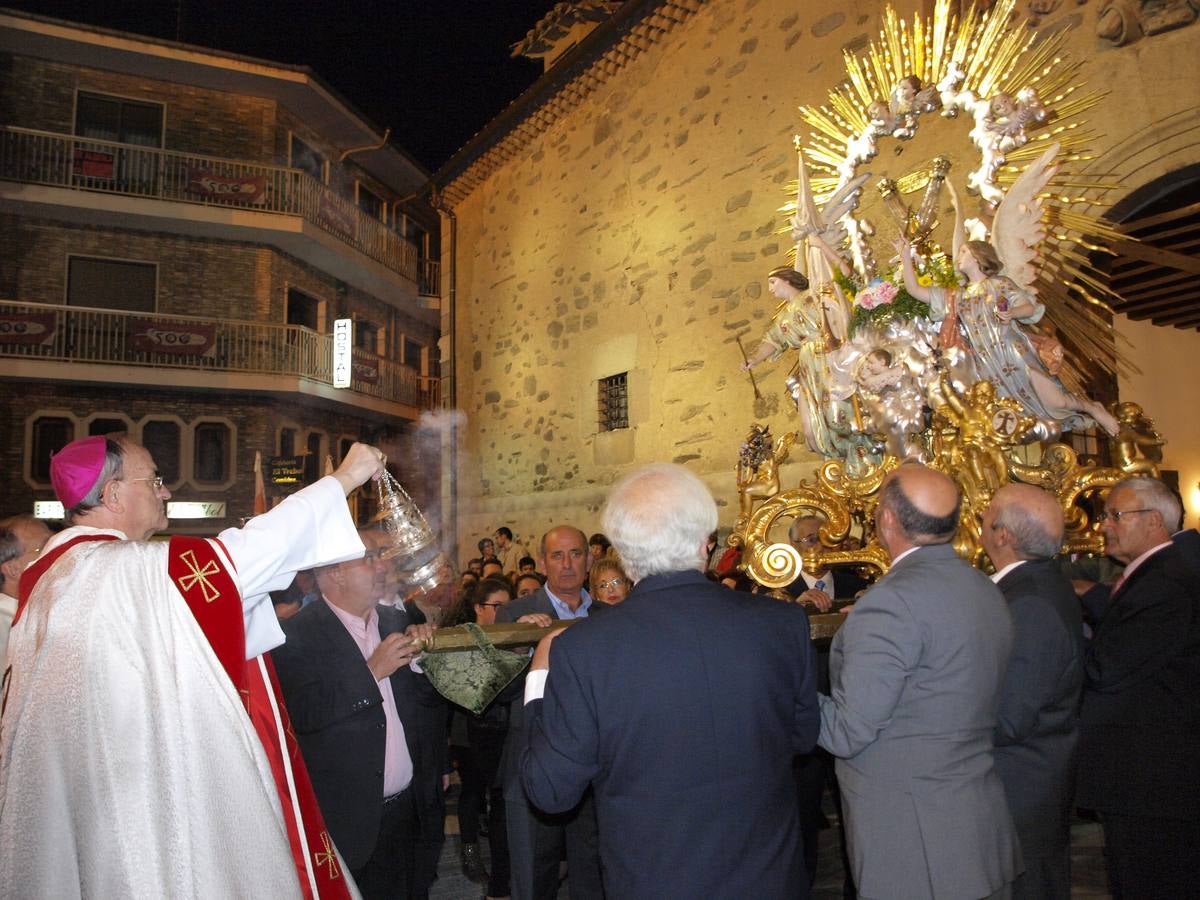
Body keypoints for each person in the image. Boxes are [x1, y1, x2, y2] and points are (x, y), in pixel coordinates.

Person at [0, 433, 387, 898]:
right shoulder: (123, 571)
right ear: (113, 495)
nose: (165, 491)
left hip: (87, 801)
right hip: (140, 801)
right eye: (154, 480)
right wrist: (345, 478)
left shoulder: (56, 576)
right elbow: (248, 556)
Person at [519, 463, 820, 898]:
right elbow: (802, 737)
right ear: (704, 542)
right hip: (769, 879)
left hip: (656, 882)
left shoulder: (584, 649)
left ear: (622, 552)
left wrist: (538, 679)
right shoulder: (782, 623)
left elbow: (550, 791)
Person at [818, 464, 1020, 899]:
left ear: (886, 519)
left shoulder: (888, 603)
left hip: (914, 840)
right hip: (977, 823)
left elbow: (847, 732)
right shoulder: (984, 587)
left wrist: (782, 690)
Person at [270, 532, 445, 900]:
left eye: (383, 554)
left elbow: (427, 709)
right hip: (349, 825)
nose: (383, 565)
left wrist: (426, 666)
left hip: (407, 815)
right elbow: (303, 715)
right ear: (335, 573)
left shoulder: (396, 622)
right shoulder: (295, 635)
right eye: (369, 557)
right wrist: (370, 673)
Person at [1074, 476, 1200, 898]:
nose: (1103, 525)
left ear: (1154, 522)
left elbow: (1109, 669)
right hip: (1145, 777)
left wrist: (1060, 648)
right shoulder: (1154, 574)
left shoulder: (1165, 583)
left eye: (1115, 515)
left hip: (1153, 780)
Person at [894, 201, 1117, 437]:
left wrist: (1012, 313)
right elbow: (915, 290)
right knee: (1008, 416)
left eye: (963, 252)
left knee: (1056, 401)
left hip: (1013, 349)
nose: (958, 257)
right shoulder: (956, 295)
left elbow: (1028, 307)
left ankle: (1091, 406)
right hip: (985, 362)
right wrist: (905, 257)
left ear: (979, 257)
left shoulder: (999, 284)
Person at [981, 484, 1084, 900]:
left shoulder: (1031, 603)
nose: (979, 524)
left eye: (985, 516)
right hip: (1028, 782)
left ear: (1003, 534)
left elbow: (1008, 717)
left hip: (1021, 788)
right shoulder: (1036, 586)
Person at [495, 526, 605, 900]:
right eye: (557, 556)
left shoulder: (610, 612)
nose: (567, 564)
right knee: (533, 874)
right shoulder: (516, 612)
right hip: (534, 754)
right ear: (542, 563)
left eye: (576, 554)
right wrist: (519, 650)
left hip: (599, 762)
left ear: (590, 561)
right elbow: (498, 693)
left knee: (596, 872)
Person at [451, 576, 516, 900]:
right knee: (473, 793)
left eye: (509, 605)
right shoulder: (463, 638)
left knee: (499, 802)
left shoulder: (511, 635)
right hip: (468, 732)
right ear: (479, 607)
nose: (504, 612)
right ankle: (469, 850)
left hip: (501, 730)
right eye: (497, 606)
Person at [0, 514, 51, 664]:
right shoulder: (4, 623)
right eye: (44, 548)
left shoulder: (38, 610)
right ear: (13, 568)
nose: (57, 553)